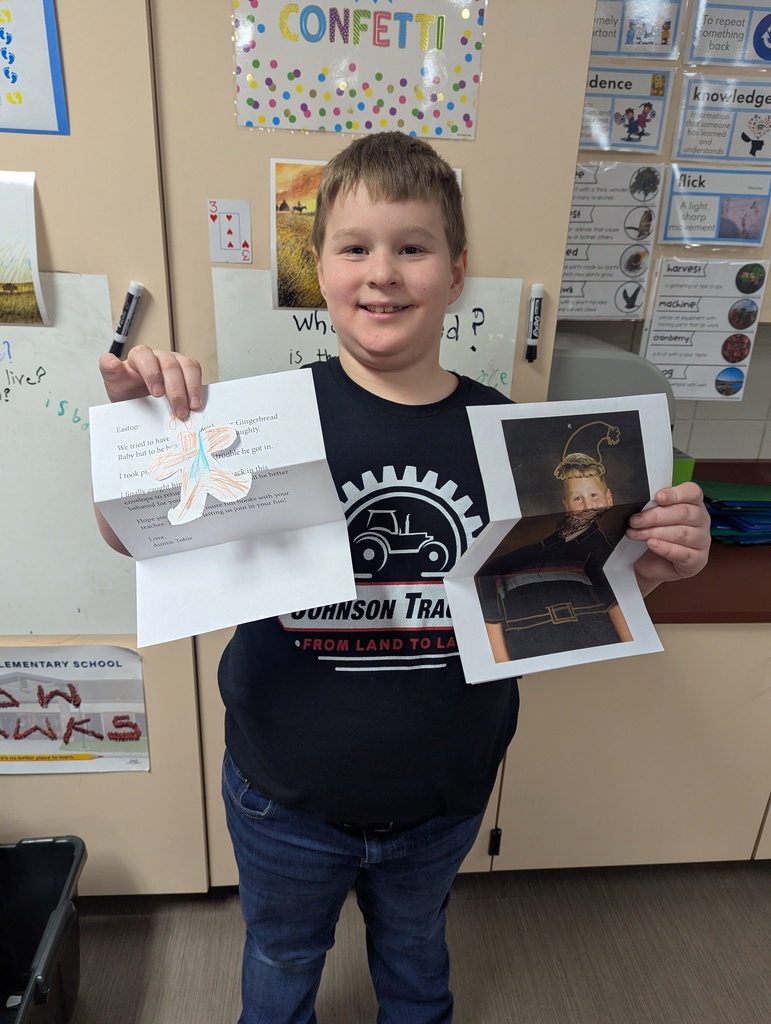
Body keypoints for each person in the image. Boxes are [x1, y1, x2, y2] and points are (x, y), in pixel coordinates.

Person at [94, 131, 711, 1024]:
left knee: (416, 955)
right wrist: (140, 446)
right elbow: (135, 541)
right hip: (283, 796)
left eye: (411, 247)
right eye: (355, 247)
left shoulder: (515, 437)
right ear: (319, 270)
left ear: (455, 273)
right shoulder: (255, 422)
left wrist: (647, 569)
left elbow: (558, 595)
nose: (381, 272)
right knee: (279, 953)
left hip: (443, 795)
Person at [478, 420, 636, 663]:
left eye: (593, 495)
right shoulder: (554, 538)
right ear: (566, 506)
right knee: (486, 572)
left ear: (608, 497)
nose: (587, 506)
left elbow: (615, 602)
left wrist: (630, 647)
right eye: (577, 498)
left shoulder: (599, 549)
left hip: (579, 631)